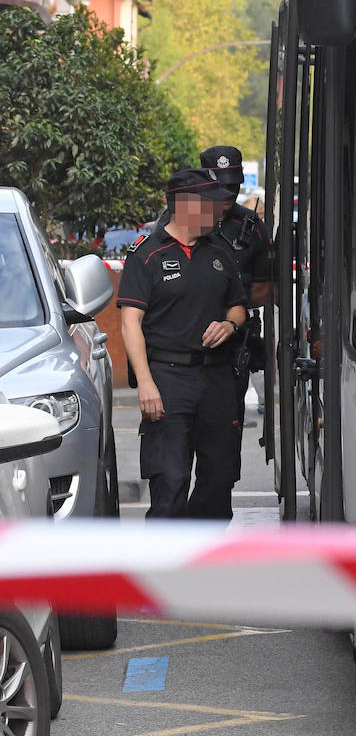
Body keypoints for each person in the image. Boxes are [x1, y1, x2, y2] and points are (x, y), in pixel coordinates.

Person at [118, 169, 248, 519]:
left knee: (219, 480)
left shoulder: (220, 251)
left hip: (217, 379)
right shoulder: (146, 255)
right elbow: (130, 322)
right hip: (167, 379)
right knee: (170, 481)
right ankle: (167, 566)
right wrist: (145, 383)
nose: (220, 209)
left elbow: (238, 306)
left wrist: (229, 325)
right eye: (211, 203)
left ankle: (203, 561)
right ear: (185, 206)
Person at [201, 145, 274, 458]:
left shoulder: (251, 227)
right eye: (220, 185)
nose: (227, 192)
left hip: (232, 351)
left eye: (233, 185)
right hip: (182, 350)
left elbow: (264, 289)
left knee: (222, 450)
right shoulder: (177, 223)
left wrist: (233, 309)